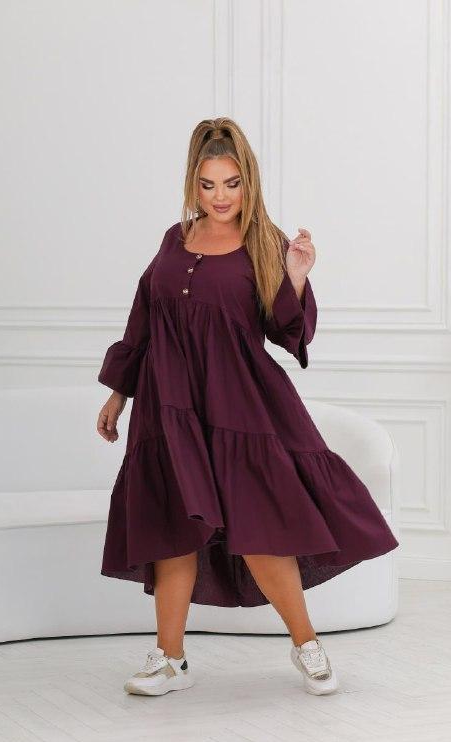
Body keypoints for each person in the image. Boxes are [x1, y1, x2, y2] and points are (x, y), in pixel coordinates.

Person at [96, 117, 399, 697]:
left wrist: (297, 278)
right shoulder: (174, 239)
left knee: (260, 528)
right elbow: (143, 319)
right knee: (174, 528)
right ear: (193, 182)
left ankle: (307, 645)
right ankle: (170, 659)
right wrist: (119, 392)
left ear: (248, 182)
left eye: (231, 183)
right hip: (169, 403)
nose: (220, 197)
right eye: (208, 184)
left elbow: (285, 331)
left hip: (240, 403)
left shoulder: (267, 242)